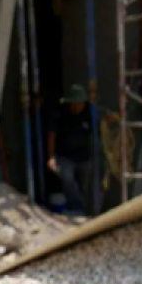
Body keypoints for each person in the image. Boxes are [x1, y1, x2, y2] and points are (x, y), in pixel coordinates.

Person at [48, 83, 94, 215]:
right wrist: (51, 156)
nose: (76, 106)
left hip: (83, 157)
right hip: (65, 156)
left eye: (79, 103)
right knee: (67, 178)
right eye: (73, 103)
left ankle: (82, 212)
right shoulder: (61, 114)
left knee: (84, 186)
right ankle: (77, 208)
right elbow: (52, 134)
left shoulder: (89, 114)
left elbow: (98, 129)